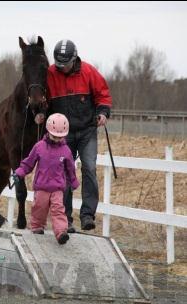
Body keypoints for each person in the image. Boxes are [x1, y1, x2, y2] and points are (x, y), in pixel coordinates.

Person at [47, 39, 112, 233]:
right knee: (64, 173)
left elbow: (103, 95)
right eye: (58, 64)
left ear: (74, 59)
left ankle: (87, 215)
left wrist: (103, 112)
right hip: (62, 134)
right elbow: (42, 98)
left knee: (89, 168)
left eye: (64, 64)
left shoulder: (89, 72)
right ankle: (65, 219)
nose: (61, 68)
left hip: (87, 131)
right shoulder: (50, 74)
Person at [13, 113, 79, 245]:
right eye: (54, 136)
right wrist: (20, 172)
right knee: (39, 208)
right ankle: (37, 227)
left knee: (58, 209)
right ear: (48, 132)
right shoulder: (39, 147)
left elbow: (70, 168)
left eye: (60, 137)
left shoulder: (66, 151)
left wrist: (73, 181)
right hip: (41, 187)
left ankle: (61, 232)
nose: (57, 139)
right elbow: (28, 163)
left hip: (58, 188)